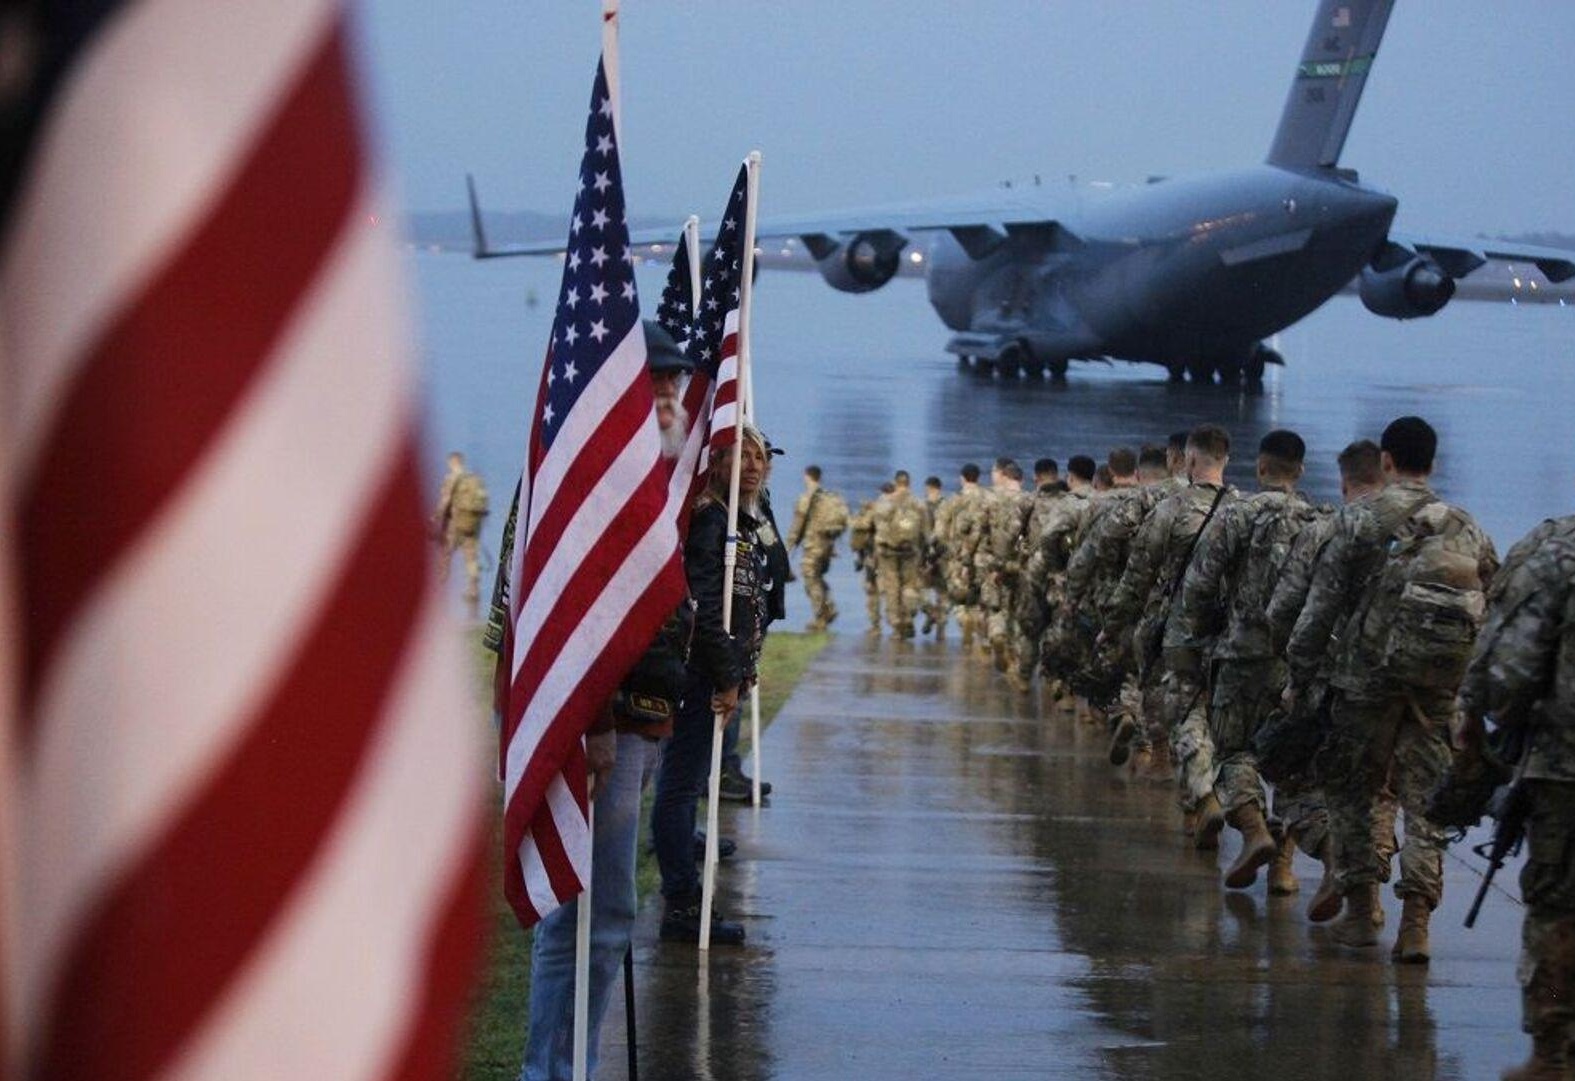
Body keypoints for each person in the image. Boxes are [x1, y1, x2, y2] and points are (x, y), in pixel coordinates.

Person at [522, 321, 697, 1079]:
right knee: (590, 911)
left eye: (673, 381)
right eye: (654, 381)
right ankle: (555, 1070)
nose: (670, 394)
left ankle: (569, 1063)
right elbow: (570, 614)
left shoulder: (651, 477)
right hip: (604, 726)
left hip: (645, 723)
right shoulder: (591, 478)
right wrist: (592, 723)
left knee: (599, 912)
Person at [1287, 416, 1499, 961]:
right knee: (1427, 800)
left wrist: (1299, 676)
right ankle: (1416, 926)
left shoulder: (1358, 519)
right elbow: (1495, 605)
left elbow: (1320, 607)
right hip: (1437, 685)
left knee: (1351, 791)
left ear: (1385, 461)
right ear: (1432, 462)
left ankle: (1362, 913)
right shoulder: (1466, 526)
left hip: (1364, 680)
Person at [1456, 510, 1575, 1079]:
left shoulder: (1559, 551)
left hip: (1565, 766)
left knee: (1556, 907)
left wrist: (1491, 717)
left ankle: (1553, 1051)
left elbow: (1513, 665)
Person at [1174, 430, 1318, 891]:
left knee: (1234, 752)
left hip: (1239, 656)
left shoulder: (1237, 515)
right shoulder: (1320, 521)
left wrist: (1201, 635)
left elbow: (1199, 585)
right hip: (1293, 660)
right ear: (1300, 471)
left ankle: (1254, 830)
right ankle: (1283, 868)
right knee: (1290, 762)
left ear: (1260, 468)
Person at [650, 424, 774, 946]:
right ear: (717, 463)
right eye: (741, 457)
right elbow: (702, 608)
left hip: (719, 673)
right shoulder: (711, 520)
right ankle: (682, 904)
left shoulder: (738, 521)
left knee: (686, 784)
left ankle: (683, 886)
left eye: (759, 458)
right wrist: (725, 676)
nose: (753, 466)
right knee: (680, 788)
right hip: (699, 675)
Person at [1265, 439, 1388, 923]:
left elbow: (1288, 611)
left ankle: (1330, 859)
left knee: (1298, 780)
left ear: (1343, 482)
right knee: (1382, 797)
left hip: (1335, 683)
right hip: (1407, 689)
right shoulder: (1436, 528)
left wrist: (1294, 677)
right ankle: (1384, 910)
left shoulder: (1328, 530)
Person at [1106, 425, 1236, 842]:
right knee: (1218, 720)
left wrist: (1114, 623)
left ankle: (1201, 797)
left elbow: (1138, 572)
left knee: (1184, 715)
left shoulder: (1171, 508)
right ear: (1227, 460)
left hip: (1180, 629)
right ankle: (1205, 810)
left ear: (1188, 460)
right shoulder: (1245, 510)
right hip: (1232, 634)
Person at [1013, 455, 1093, 694]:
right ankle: (1060, 685)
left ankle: (1024, 677)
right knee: (1064, 629)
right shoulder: (1090, 501)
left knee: (1031, 628)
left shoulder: (1032, 501)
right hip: (1074, 575)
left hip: (1039, 571)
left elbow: (1022, 534)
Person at [977, 459, 1031, 669]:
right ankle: (1014, 651)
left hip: (994, 561)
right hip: (1021, 563)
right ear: (1021, 480)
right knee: (1017, 607)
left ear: (1004, 476)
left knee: (996, 605)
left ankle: (997, 634)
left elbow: (980, 531)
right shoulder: (1030, 500)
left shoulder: (989, 498)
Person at [786, 465, 849, 632]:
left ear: (806, 476)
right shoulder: (828, 496)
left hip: (813, 545)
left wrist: (786, 549)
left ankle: (820, 617)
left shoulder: (806, 498)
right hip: (828, 545)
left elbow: (797, 527)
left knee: (810, 579)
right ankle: (829, 608)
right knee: (817, 576)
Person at [872, 470, 929, 638]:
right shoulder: (919, 503)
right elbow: (926, 532)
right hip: (910, 551)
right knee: (909, 586)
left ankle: (897, 625)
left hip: (888, 552)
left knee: (892, 587)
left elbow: (877, 527)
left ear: (895, 483)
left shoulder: (885, 502)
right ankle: (908, 619)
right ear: (909, 483)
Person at [432, 450, 489, 615]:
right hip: (472, 523)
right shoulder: (473, 479)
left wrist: (436, 517)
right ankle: (473, 589)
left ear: (452, 462)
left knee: (445, 554)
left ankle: (439, 588)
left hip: (455, 524)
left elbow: (445, 501)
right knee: (471, 556)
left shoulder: (451, 479)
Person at [938, 463, 989, 646]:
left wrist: (945, 549)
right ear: (978, 477)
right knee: (980, 596)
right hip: (984, 556)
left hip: (958, 556)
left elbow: (940, 531)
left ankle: (963, 620)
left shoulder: (952, 501)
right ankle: (981, 637)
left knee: (958, 595)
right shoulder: (989, 498)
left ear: (962, 479)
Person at [850, 487, 887, 636]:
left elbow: (859, 526)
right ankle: (895, 625)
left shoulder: (873, 510)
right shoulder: (900, 509)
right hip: (889, 556)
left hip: (874, 557)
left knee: (873, 590)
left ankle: (876, 626)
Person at [921, 476, 948, 635]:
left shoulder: (922, 506)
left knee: (923, 591)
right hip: (942, 553)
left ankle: (933, 616)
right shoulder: (948, 505)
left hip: (932, 554)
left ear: (928, 488)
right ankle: (939, 627)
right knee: (941, 593)